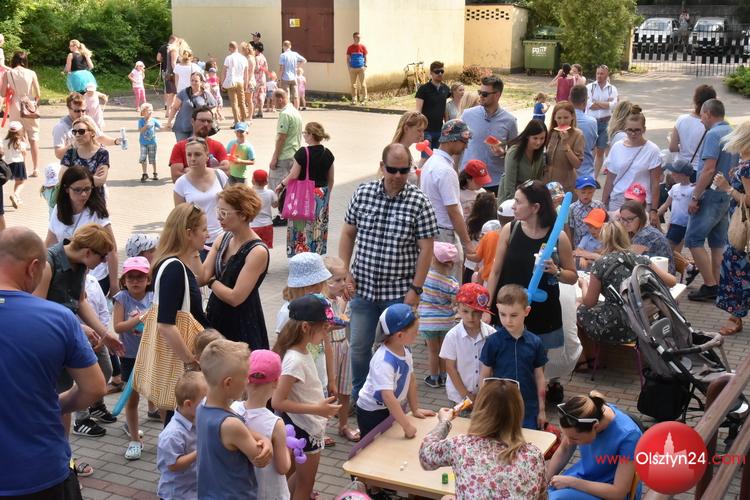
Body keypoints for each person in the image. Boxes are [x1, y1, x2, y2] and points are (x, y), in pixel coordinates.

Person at [0, 227, 106, 498]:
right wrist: (58, 404)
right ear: (33, 267)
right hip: (41, 470)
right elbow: (94, 388)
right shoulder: (59, 319)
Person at [339, 143, 438, 400]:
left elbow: (427, 249)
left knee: (396, 350)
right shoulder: (363, 193)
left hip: (398, 293)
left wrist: (416, 290)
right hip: (363, 289)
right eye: (392, 169)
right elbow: (348, 233)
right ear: (382, 167)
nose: (398, 175)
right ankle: (361, 396)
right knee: (359, 347)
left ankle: (394, 399)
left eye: (404, 170)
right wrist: (344, 272)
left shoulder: (419, 201)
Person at [486, 180, 577, 403]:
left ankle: (533, 406)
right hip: (508, 310)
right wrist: (487, 307)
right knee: (505, 361)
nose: (513, 206)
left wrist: (556, 271)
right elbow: (496, 271)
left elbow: (572, 276)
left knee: (536, 366)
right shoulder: (510, 230)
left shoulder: (558, 237)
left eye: (518, 202)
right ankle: (507, 406)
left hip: (543, 313)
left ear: (535, 207)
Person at [419, 378, 547, 500]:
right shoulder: (534, 456)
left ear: (480, 410)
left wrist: (445, 421)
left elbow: (425, 456)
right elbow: (541, 495)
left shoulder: (462, 446)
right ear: (519, 412)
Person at [271, 295, 343, 500]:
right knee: (305, 485)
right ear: (305, 327)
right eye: (324, 328)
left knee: (296, 481)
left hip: (305, 425)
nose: (326, 333)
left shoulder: (302, 350)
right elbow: (278, 402)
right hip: (304, 428)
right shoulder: (294, 360)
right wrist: (318, 409)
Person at [578, 221, 677, 351]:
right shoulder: (641, 259)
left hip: (616, 326)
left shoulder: (601, 264)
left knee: (579, 308)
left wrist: (583, 284)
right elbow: (672, 281)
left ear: (604, 239)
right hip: (644, 323)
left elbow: (589, 302)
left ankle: (589, 356)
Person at [197, 339, 271, 499]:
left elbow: (241, 432)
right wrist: (268, 442)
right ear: (228, 383)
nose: (248, 381)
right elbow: (260, 458)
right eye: (245, 377)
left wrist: (261, 438)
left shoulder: (201, 407)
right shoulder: (230, 424)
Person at [202, 183, 270, 350]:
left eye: (224, 213)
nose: (219, 218)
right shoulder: (222, 239)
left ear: (243, 214)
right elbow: (202, 276)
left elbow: (235, 298)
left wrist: (212, 282)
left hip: (242, 326)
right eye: (218, 211)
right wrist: (192, 248)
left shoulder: (257, 251)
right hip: (216, 319)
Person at [356, 303, 436, 437]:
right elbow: (387, 396)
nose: (418, 333)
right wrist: (407, 426)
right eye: (415, 331)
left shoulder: (405, 350)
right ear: (399, 335)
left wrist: (415, 409)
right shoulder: (384, 361)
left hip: (389, 407)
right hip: (371, 412)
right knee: (373, 446)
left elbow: (411, 380)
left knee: (386, 441)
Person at [686, 98, 737, 302]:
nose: (701, 120)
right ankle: (719, 284)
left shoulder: (713, 134)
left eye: (702, 116)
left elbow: (708, 169)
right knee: (718, 243)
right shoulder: (732, 132)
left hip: (711, 195)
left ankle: (710, 285)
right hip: (725, 194)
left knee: (693, 239)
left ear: (708, 114)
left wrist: (695, 196)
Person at [547, 391, 642, 499]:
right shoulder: (587, 412)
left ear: (595, 427)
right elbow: (564, 449)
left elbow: (619, 493)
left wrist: (572, 482)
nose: (568, 442)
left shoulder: (629, 436)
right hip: (584, 478)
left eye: (574, 438)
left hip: (609, 491)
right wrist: (544, 481)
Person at [480, 285, 548, 429]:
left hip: (528, 410)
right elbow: (484, 376)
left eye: (514, 315)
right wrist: (482, 406)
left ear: (526, 311)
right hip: (500, 408)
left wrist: (542, 410)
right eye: (503, 314)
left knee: (527, 440)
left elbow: (540, 377)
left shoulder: (535, 342)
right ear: (497, 309)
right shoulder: (493, 342)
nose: (507, 320)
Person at [45, 166, 118, 295]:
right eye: (78, 190)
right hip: (66, 275)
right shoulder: (58, 209)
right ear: (66, 189)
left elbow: (112, 250)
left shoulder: (97, 212)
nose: (84, 194)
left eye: (87, 189)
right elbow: (50, 242)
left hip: (96, 277)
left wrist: (114, 286)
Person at [230, 350, 292, 499]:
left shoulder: (232, 409)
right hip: (268, 492)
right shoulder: (275, 423)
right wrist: (288, 450)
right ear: (276, 382)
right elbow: (283, 467)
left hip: (240, 490)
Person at [420, 119, 474, 279]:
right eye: (464, 141)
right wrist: (467, 243)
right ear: (452, 140)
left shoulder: (431, 162)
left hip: (432, 230)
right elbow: (453, 211)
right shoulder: (445, 170)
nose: (466, 146)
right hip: (445, 235)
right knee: (449, 283)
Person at [113, 256, 154, 460]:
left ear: (148, 279)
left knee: (159, 396)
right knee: (132, 399)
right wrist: (139, 318)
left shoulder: (154, 297)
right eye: (131, 277)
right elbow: (117, 327)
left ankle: (170, 435)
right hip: (130, 356)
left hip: (152, 354)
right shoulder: (121, 298)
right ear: (124, 280)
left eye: (140, 277)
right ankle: (135, 440)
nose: (135, 281)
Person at [711, 122, 750, 336]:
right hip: (741, 225)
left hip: (742, 228)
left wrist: (727, 187)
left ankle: (735, 317)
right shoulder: (744, 164)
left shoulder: (746, 167)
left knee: (736, 270)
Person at [277, 122, 335, 257]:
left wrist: (282, 185)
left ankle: (300, 255)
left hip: (304, 195)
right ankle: (315, 254)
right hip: (321, 195)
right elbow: (331, 179)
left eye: (305, 133)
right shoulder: (327, 153)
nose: (304, 136)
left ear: (310, 135)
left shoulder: (303, 152)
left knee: (300, 226)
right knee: (318, 227)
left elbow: (293, 175)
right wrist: (327, 196)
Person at [323, 255, 360, 442]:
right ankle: (320, 429)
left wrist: (346, 297)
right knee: (327, 390)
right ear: (325, 281)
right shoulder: (321, 301)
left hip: (344, 344)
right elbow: (329, 324)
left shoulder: (337, 298)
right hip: (329, 348)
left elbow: (341, 314)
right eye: (337, 280)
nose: (343, 283)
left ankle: (343, 425)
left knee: (345, 389)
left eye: (344, 279)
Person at [461, 76, 518, 195]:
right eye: (480, 92)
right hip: (469, 181)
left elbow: (515, 154)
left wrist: (503, 154)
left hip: (495, 181)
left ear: (497, 95)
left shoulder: (510, 121)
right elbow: (458, 145)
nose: (480, 96)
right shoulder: (467, 115)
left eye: (485, 94)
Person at [439, 283, 494, 407]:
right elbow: (450, 368)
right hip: (459, 397)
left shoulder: (492, 334)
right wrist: (466, 395)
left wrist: (483, 394)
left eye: (476, 312)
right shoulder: (452, 336)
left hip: (485, 397)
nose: (470, 317)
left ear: (483, 312)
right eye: (465, 311)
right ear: (457, 308)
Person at [601, 105, 662, 214]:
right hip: (618, 199)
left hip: (641, 201)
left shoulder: (653, 150)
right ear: (625, 129)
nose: (633, 134)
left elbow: (655, 183)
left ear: (644, 129)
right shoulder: (617, 147)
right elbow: (610, 179)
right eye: (630, 130)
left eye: (637, 130)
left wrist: (654, 209)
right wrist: (603, 203)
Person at [173, 137, 228, 259]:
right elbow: (181, 218)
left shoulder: (220, 176)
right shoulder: (181, 183)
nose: (192, 158)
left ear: (207, 156)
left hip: (222, 238)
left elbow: (231, 205)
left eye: (197, 154)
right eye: (189, 155)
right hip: (197, 243)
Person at [157, 371, 208, 500]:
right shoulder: (172, 434)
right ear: (188, 404)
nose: (209, 405)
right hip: (176, 494)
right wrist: (199, 451)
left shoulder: (197, 419)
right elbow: (173, 465)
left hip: (193, 489)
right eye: (205, 402)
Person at [419, 241, 460, 388]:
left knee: (433, 351)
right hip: (446, 321)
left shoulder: (425, 276)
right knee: (443, 351)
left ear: (433, 259)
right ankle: (444, 376)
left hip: (428, 322)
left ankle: (434, 378)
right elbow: (455, 302)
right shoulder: (452, 283)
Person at [0, 50, 41, 176]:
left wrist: (10, 89)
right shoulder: (31, 73)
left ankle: (21, 168)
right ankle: (35, 168)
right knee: (33, 138)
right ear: (25, 61)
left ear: (14, 60)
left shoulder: (8, 73)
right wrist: (32, 101)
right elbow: (38, 93)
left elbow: (2, 93)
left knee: (18, 138)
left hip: (15, 106)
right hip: (29, 105)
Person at [52, 92, 120, 161]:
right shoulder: (60, 127)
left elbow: (100, 137)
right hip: (72, 165)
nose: (81, 114)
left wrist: (116, 141)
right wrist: (74, 144)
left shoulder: (87, 119)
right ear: (69, 109)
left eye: (83, 110)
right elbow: (58, 154)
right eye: (77, 111)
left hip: (92, 163)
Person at [60, 115, 111, 204]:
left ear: (92, 133)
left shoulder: (102, 153)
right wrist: (92, 178)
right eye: (74, 132)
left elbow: (100, 180)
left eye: (81, 131)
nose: (77, 135)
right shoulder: (70, 153)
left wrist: (74, 180)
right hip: (74, 204)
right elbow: (61, 178)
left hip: (96, 203)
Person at [269, 89, 303, 222]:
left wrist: (275, 156)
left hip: (284, 154)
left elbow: (281, 137)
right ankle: (288, 212)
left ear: (280, 99)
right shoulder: (295, 111)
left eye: (273, 100)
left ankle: (282, 214)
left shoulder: (285, 114)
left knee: (279, 184)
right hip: (294, 153)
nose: (272, 102)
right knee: (290, 184)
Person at [169, 107, 228, 182]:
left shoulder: (218, 146)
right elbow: (176, 176)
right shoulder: (179, 147)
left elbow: (227, 171)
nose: (206, 124)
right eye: (202, 121)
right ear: (192, 122)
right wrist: (216, 171)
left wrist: (193, 171)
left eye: (209, 121)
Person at [669, 84, 716, 171]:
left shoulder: (681, 119)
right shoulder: (713, 124)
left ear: (695, 100)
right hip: (701, 169)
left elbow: (672, 148)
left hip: (681, 168)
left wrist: (683, 148)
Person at [498, 119, 547, 203]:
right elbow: (509, 183)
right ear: (527, 136)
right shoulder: (514, 152)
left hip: (528, 198)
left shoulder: (540, 153)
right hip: (511, 198)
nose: (538, 142)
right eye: (535, 138)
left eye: (542, 138)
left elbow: (538, 179)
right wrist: (514, 202)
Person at [620, 200, 675, 274]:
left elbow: (628, 260)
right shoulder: (638, 231)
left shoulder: (646, 236)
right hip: (649, 273)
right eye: (623, 219)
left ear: (641, 217)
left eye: (630, 219)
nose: (625, 223)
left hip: (661, 277)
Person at [545, 101, 584, 196]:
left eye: (566, 117)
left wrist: (566, 145)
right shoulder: (551, 133)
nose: (562, 122)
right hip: (548, 183)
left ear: (572, 117)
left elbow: (577, 164)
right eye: (559, 118)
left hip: (566, 185)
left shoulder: (578, 135)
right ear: (554, 118)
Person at [586, 65, 619, 178]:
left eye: (602, 73)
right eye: (598, 73)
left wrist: (597, 103)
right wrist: (606, 104)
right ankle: (588, 175)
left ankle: (594, 177)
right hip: (592, 123)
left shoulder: (612, 89)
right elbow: (589, 105)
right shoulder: (589, 87)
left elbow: (614, 105)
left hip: (605, 123)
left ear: (607, 75)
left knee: (600, 151)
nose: (599, 76)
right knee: (590, 150)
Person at [166, 72, 217, 142]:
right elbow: (175, 108)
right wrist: (169, 122)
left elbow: (214, 107)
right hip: (182, 126)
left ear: (201, 82)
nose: (193, 83)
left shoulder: (206, 94)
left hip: (198, 127)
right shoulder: (183, 92)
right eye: (192, 80)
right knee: (182, 147)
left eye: (196, 81)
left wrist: (208, 116)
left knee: (195, 146)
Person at [415, 61, 451, 159]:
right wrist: (420, 131)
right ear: (431, 73)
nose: (440, 74)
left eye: (442, 71)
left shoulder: (445, 89)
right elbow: (418, 112)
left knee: (437, 159)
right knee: (425, 159)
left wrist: (447, 125)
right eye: (437, 71)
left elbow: (444, 108)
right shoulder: (423, 89)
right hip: (426, 131)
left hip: (439, 130)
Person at [657, 160, 695, 252]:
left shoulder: (693, 189)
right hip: (674, 223)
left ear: (684, 175)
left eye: (675, 173)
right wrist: (655, 213)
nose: (672, 174)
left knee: (669, 248)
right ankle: (676, 261)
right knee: (674, 250)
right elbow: (666, 204)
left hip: (685, 224)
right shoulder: (675, 187)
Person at [566, 175, 605, 249]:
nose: (586, 195)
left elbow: (605, 224)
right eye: (583, 192)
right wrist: (571, 245)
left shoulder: (599, 205)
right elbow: (571, 227)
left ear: (594, 191)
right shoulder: (572, 208)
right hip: (579, 244)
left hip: (597, 244)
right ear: (576, 191)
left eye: (590, 192)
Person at [391, 110, 428, 184]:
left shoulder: (405, 151)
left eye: (423, 130)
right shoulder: (398, 154)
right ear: (406, 129)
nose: (422, 135)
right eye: (419, 130)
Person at [570, 85, 598, 178]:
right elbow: (593, 146)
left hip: (567, 173)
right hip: (586, 172)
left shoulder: (562, 120)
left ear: (570, 99)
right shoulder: (592, 122)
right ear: (585, 101)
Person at [221, 41, 249, 125]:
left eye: (229, 48)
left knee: (234, 102)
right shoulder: (244, 58)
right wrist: (246, 84)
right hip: (240, 81)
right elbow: (246, 73)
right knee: (242, 102)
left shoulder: (228, 58)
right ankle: (244, 120)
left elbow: (224, 71)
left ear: (231, 48)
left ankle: (237, 121)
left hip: (231, 81)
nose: (229, 50)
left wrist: (222, 83)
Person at [2, 121, 28, 208]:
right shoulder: (21, 143)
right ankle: (16, 194)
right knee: (21, 182)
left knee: (15, 181)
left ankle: (17, 199)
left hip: (8, 164)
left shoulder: (4, 141)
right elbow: (24, 154)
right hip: (19, 164)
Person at [250, 169, 277, 248]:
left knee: (253, 247)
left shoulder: (249, 193)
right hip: (267, 225)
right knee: (265, 248)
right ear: (266, 182)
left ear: (253, 180)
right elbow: (275, 205)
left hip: (253, 225)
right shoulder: (270, 192)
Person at [278, 40, 307, 109]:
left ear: (283, 47)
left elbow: (282, 68)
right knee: (295, 96)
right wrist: (297, 66)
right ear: (290, 46)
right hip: (294, 77)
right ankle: (296, 110)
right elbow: (304, 60)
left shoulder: (282, 55)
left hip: (285, 78)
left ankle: (287, 110)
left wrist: (279, 78)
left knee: (286, 95)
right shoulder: (295, 54)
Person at [137, 103, 161, 182]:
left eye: (151, 110)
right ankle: (145, 174)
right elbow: (140, 131)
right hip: (143, 143)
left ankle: (155, 173)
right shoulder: (141, 121)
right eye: (148, 110)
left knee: (153, 158)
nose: (150, 112)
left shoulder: (154, 120)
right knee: (143, 158)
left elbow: (161, 127)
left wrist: (168, 127)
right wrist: (146, 126)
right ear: (143, 112)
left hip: (152, 142)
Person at [156, 35, 178, 113]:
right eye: (176, 41)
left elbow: (158, 58)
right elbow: (173, 62)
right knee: (174, 89)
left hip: (165, 70)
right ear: (173, 40)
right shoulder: (175, 49)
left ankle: (166, 104)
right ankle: (172, 105)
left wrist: (163, 60)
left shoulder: (162, 47)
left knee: (166, 88)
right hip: (173, 71)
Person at [347, 32, 368, 104]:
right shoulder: (350, 48)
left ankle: (364, 99)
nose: (359, 39)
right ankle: (354, 99)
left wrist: (365, 66)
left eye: (359, 37)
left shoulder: (363, 47)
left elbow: (365, 58)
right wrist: (349, 68)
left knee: (363, 84)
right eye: (357, 37)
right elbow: (348, 59)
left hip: (361, 68)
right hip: (353, 69)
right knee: (353, 85)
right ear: (354, 38)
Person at [252, 42, 268, 119]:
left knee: (255, 95)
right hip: (263, 78)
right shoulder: (263, 57)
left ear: (256, 50)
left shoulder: (256, 58)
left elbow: (256, 68)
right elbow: (266, 68)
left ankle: (252, 112)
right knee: (261, 95)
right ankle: (260, 111)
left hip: (256, 78)